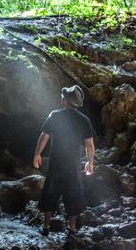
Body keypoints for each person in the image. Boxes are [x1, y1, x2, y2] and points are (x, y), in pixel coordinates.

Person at [32, 85, 95, 236]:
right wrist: (90, 162)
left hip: (56, 164)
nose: (61, 97)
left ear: (65, 101)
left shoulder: (55, 115)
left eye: (63, 96)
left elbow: (44, 137)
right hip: (73, 165)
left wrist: (37, 154)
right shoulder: (84, 120)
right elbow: (89, 145)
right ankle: (72, 228)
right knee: (73, 193)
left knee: (50, 193)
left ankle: (46, 226)